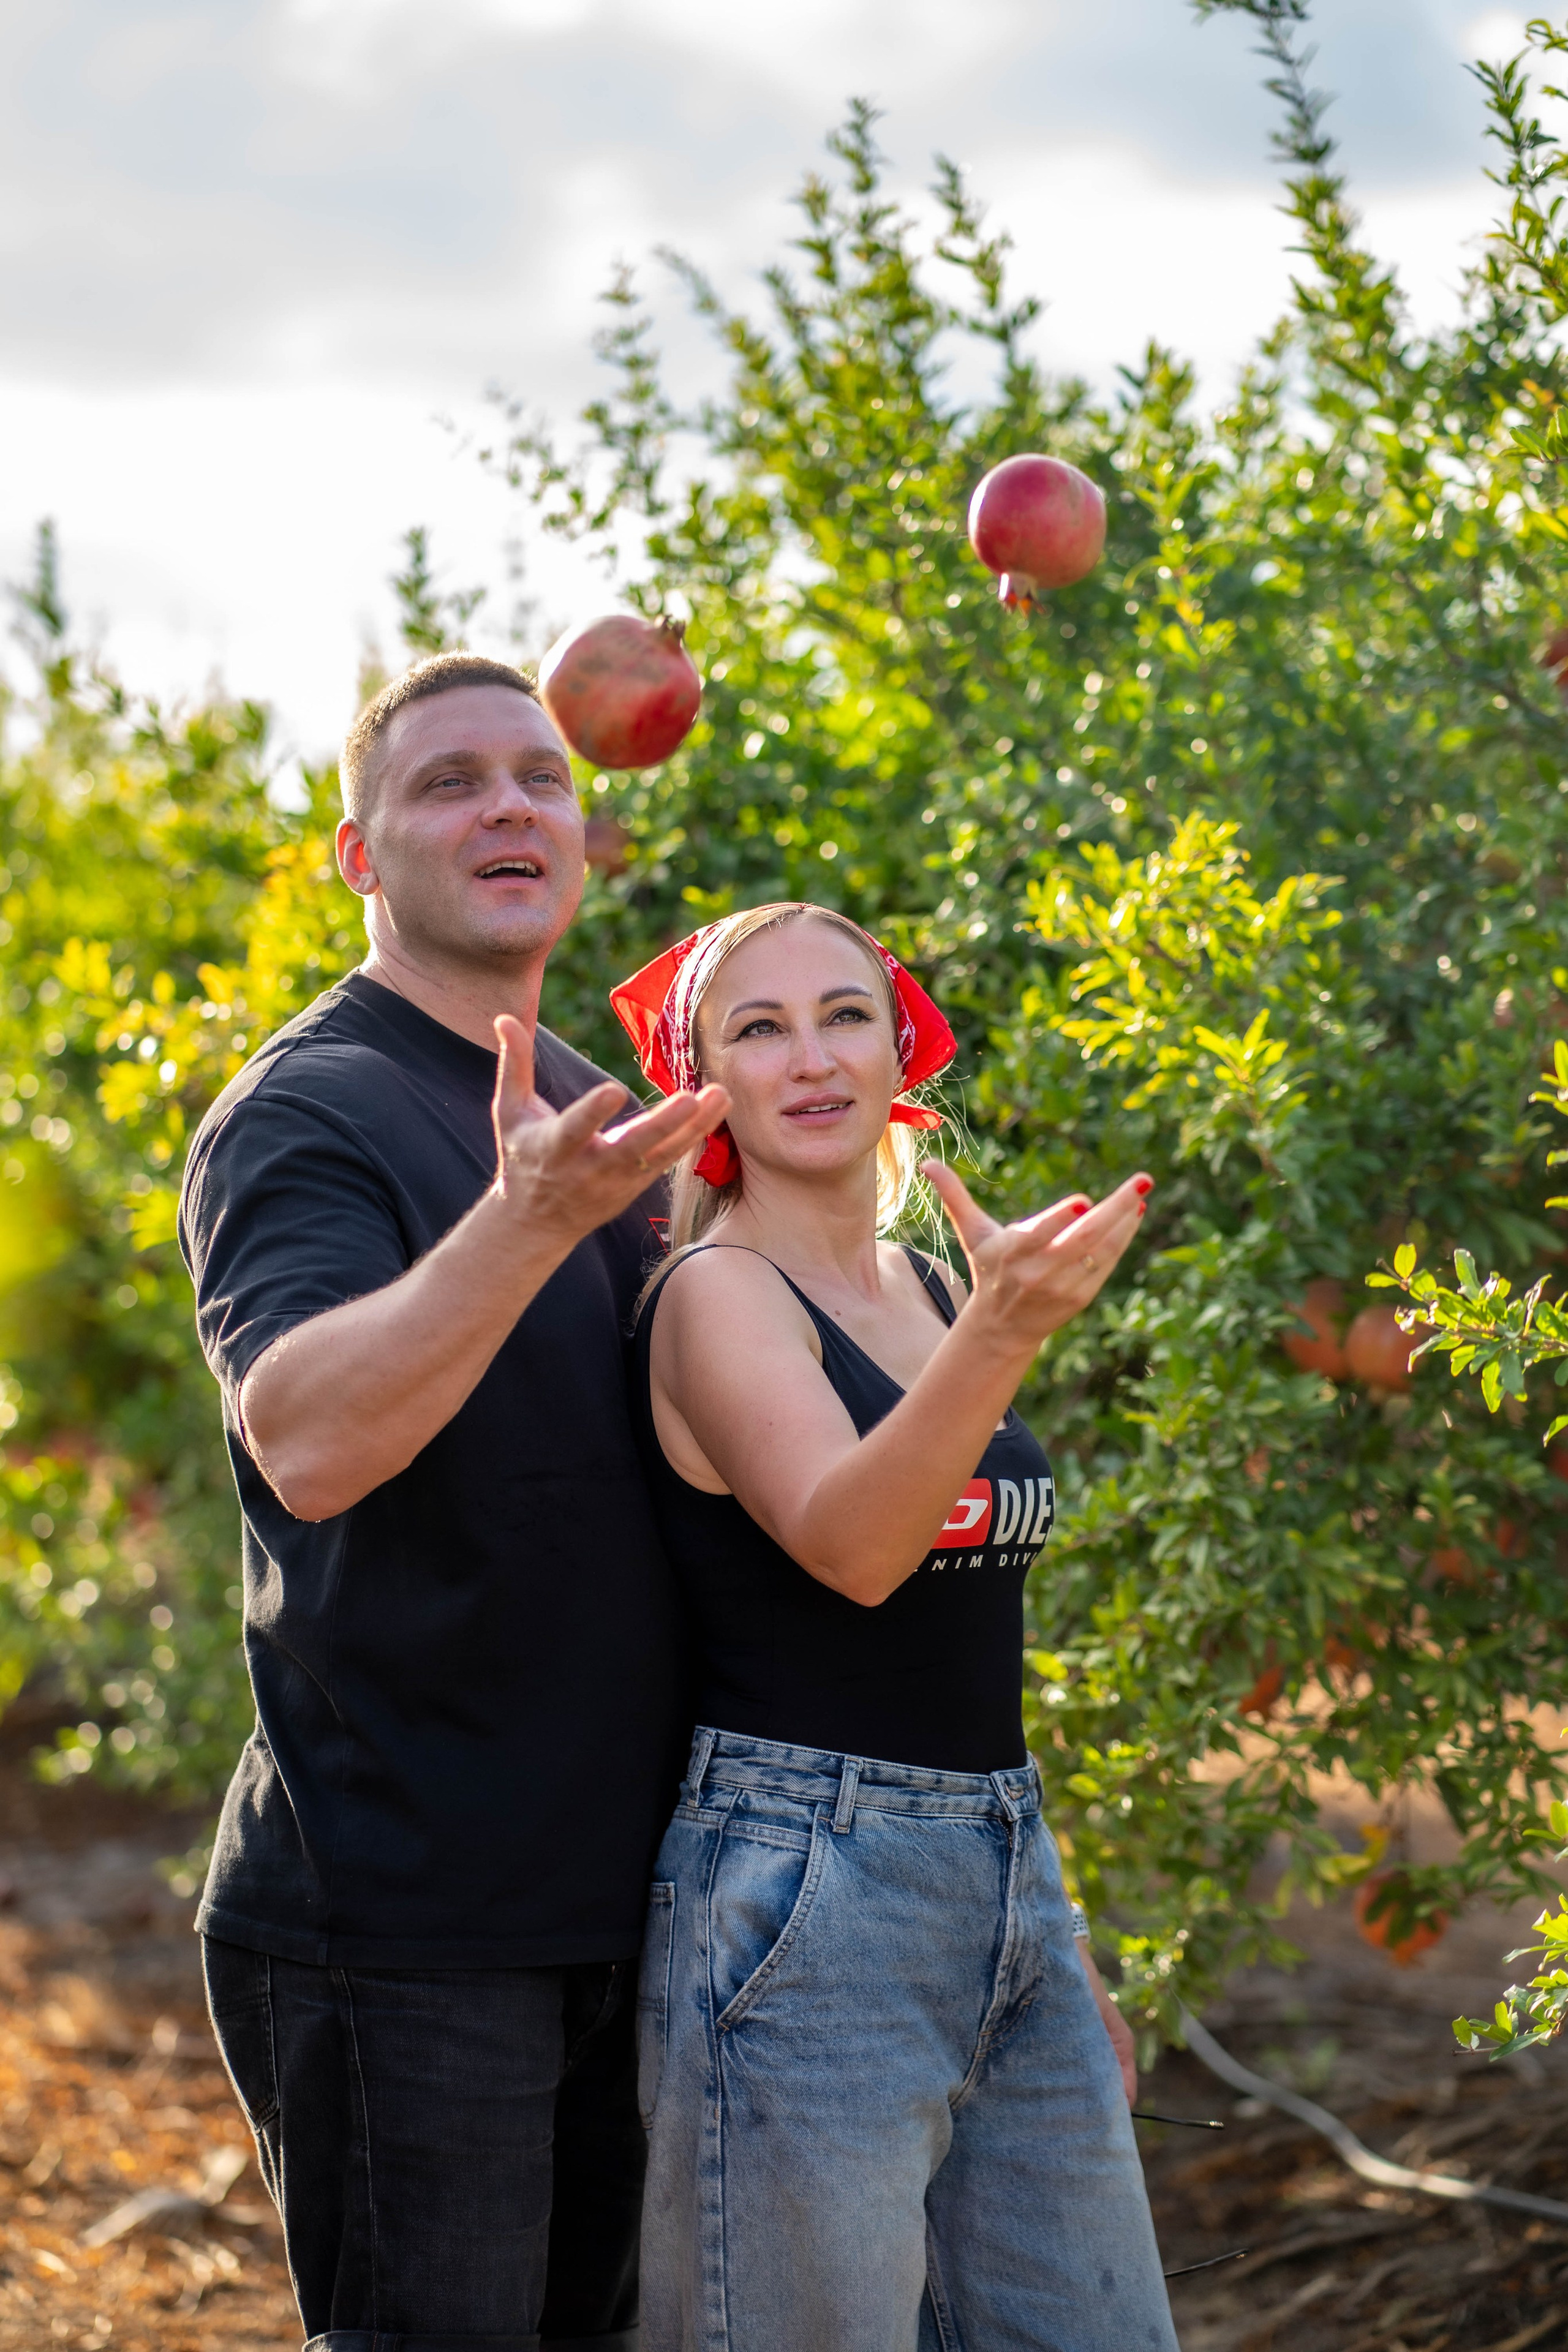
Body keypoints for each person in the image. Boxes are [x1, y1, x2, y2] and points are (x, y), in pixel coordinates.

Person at [177, 650, 726, 2352]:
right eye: (448, 783)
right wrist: (530, 1223)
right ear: (362, 858)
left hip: (622, 1904)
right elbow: (311, 1440)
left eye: (540, 778)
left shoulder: (593, 1113)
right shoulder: (309, 1114)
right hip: (406, 1920)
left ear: (584, 836)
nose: (507, 805)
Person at [611, 902, 1179, 2352]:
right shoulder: (715, 1295)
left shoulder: (931, 1286)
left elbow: (964, 1653)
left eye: (844, 1014)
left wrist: (1045, 1941)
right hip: (806, 1889)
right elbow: (856, 1549)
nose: (810, 1057)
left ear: (897, 1047)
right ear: (705, 1083)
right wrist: (1007, 1333)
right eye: (758, 1027)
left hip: (992, 1867)